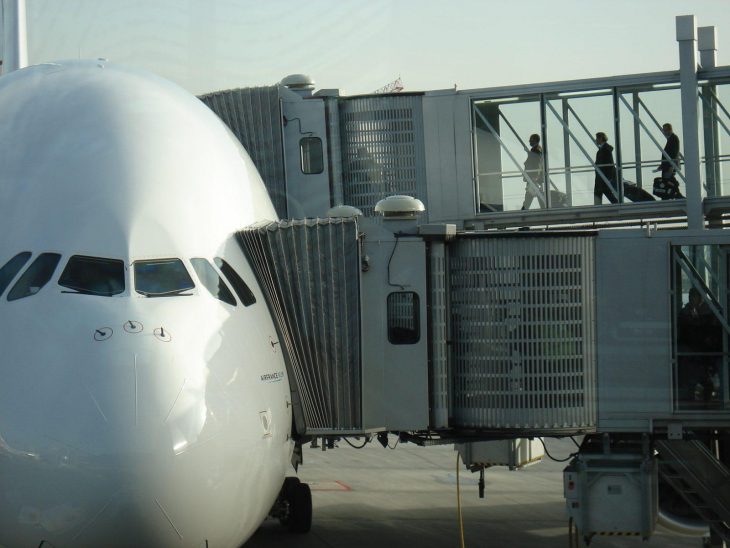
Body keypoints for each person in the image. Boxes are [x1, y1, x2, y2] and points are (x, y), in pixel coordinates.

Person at [653, 123, 684, 199]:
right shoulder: (671, 138)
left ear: (670, 130)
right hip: (667, 165)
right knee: (669, 181)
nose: (664, 132)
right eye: (664, 130)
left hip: (669, 165)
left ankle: (672, 196)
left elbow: (674, 152)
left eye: (665, 130)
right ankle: (675, 195)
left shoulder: (673, 138)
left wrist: (671, 166)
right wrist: (662, 165)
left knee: (668, 181)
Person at [593, 132, 618, 205]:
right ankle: (617, 204)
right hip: (602, 177)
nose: (596, 140)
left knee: (602, 193)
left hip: (603, 177)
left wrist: (609, 177)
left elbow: (610, 164)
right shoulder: (603, 150)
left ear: (600, 138)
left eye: (597, 138)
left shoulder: (605, 150)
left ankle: (597, 211)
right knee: (605, 193)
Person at [521, 134, 544, 210]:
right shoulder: (537, 150)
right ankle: (545, 210)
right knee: (540, 197)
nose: (529, 141)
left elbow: (537, 163)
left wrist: (535, 177)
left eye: (531, 140)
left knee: (529, 197)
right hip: (535, 178)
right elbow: (535, 160)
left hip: (533, 178)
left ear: (535, 140)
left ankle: (523, 212)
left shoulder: (536, 150)